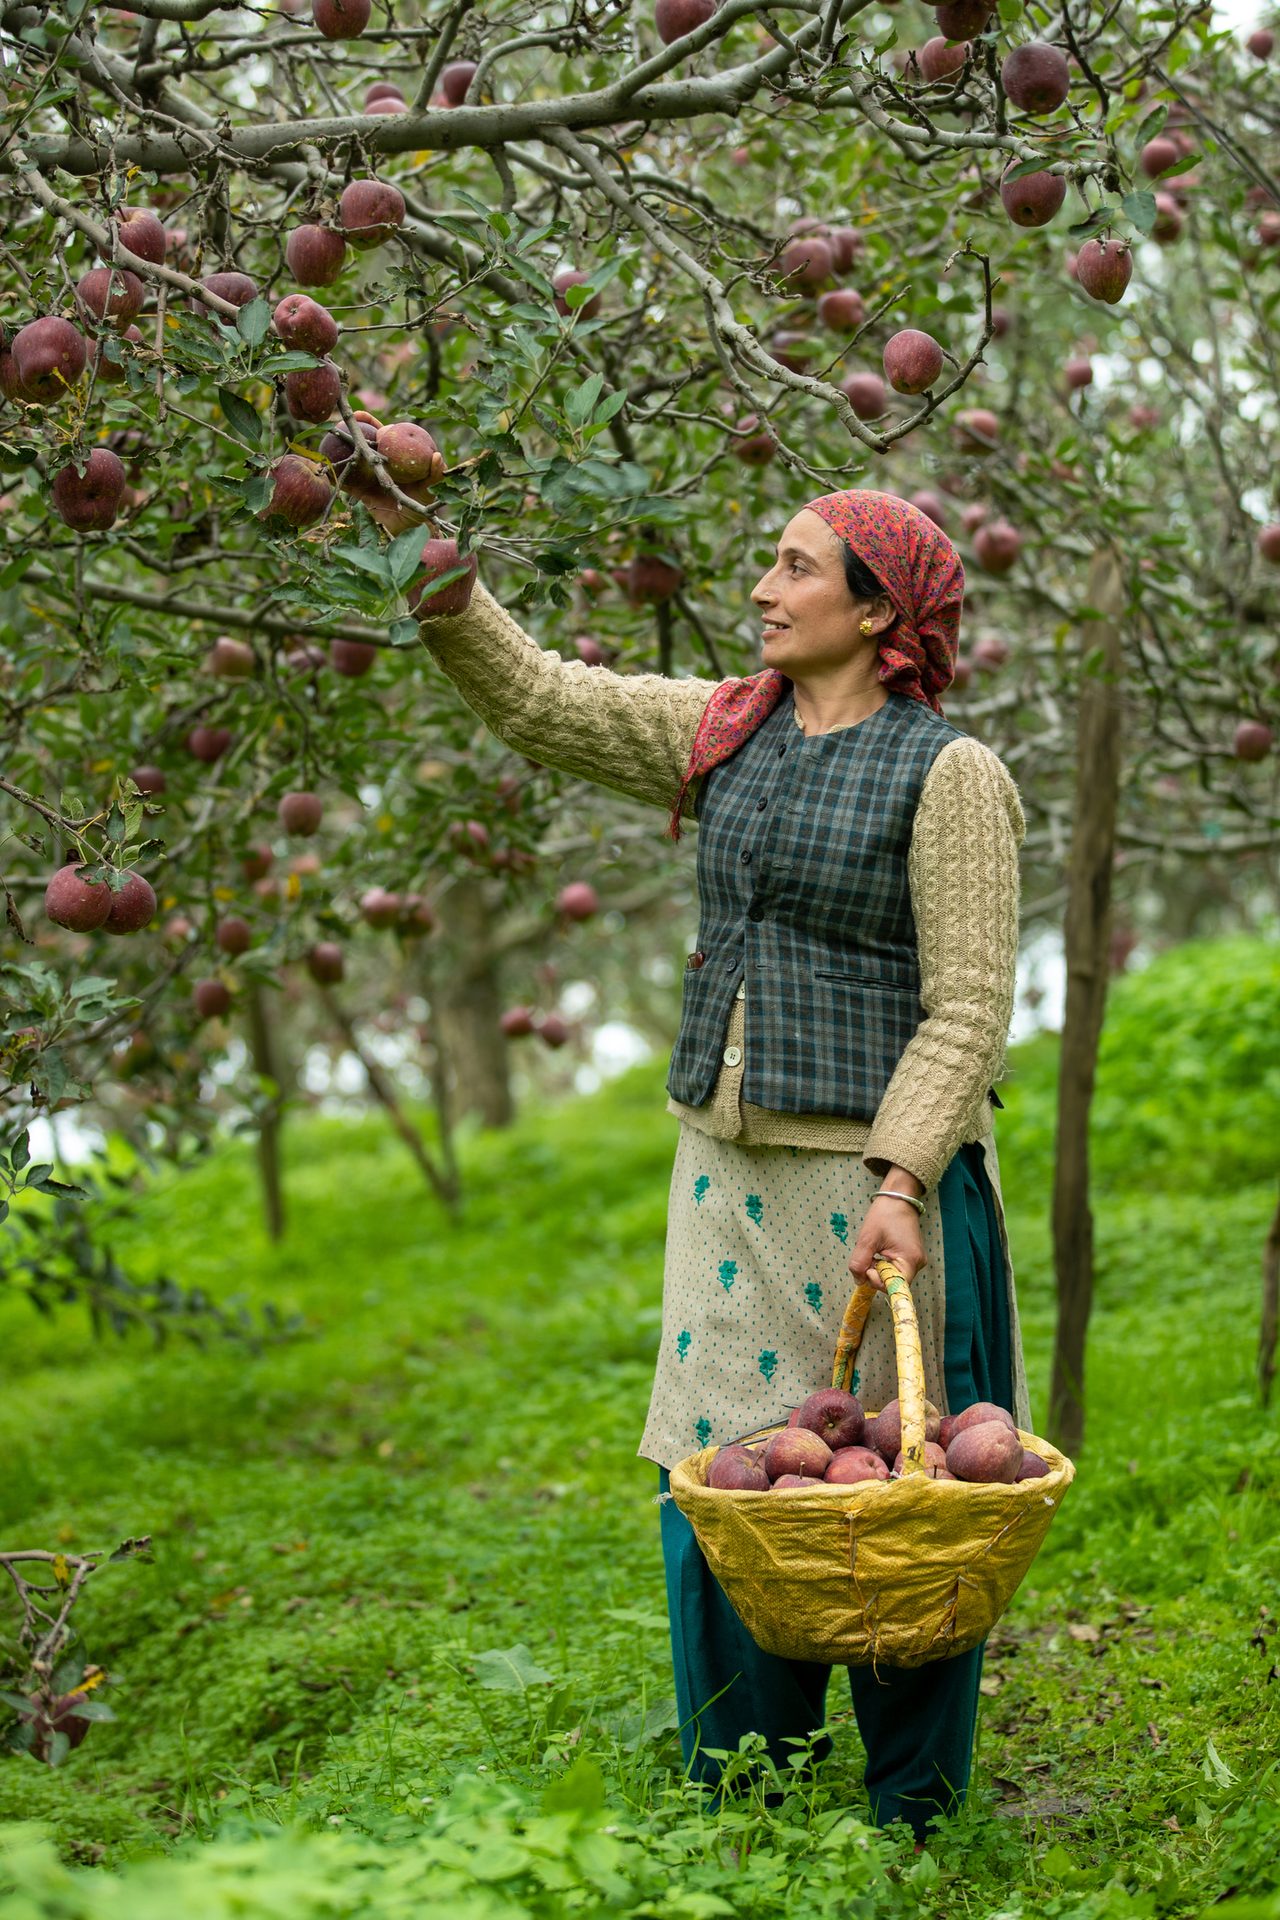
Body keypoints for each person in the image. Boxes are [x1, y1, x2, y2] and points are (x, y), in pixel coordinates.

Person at [417, 488, 1029, 1846]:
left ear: (877, 612)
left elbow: (969, 1005)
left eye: (795, 567)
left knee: (902, 1498)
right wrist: (421, 555)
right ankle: (744, 1795)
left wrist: (905, 1178)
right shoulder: (726, 732)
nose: (763, 586)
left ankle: (910, 1817)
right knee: (722, 1482)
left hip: (879, 1200)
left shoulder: (952, 776)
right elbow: (537, 700)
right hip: (726, 1186)